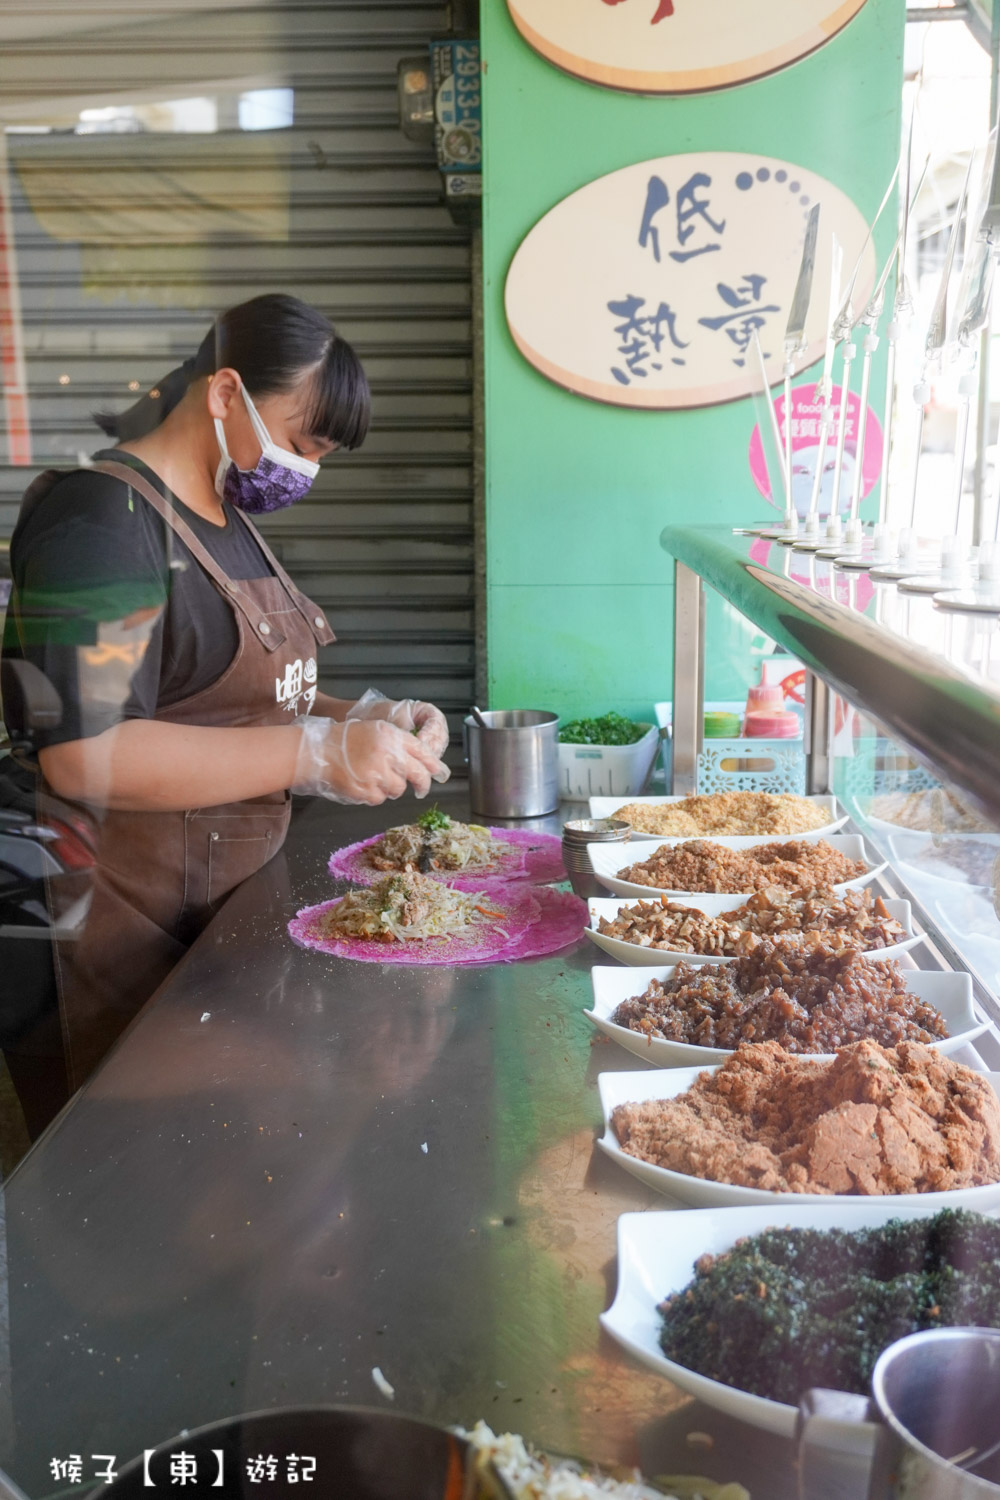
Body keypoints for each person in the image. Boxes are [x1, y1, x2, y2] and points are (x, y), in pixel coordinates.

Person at [0, 293, 450, 1117]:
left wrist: (367, 717)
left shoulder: (224, 515)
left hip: (214, 917)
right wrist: (313, 754)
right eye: (301, 440)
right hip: (110, 928)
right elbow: (83, 754)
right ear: (222, 394)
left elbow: (243, 696)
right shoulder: (102, 521)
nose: (306, 467)